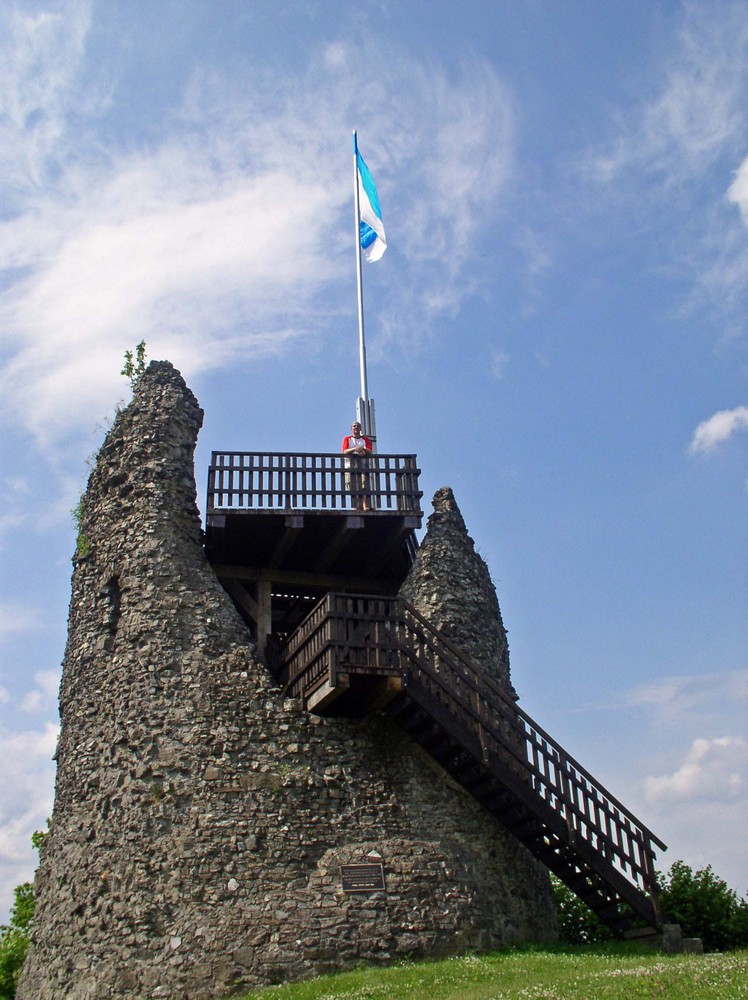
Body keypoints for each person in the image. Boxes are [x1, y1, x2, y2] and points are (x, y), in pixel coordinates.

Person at [341, 421, 372, 511]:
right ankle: (355, 506)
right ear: (351, 429)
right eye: (354, 426)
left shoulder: (365, 440)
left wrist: (362, 449)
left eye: (358, 426)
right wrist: (355, 449)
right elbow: (344, 451)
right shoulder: (347, 439)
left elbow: (369, 450)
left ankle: (364, 505)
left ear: (360, 428)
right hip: (349, 466)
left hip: (362, 466)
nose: (356, 428)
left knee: (364, 485)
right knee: (351, 486)